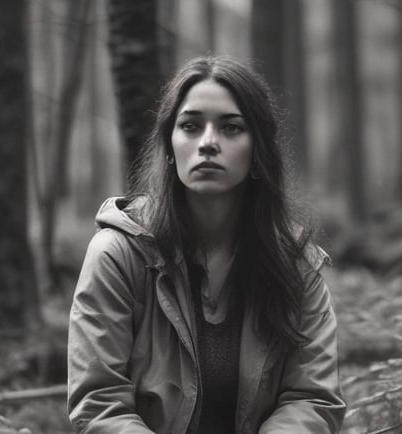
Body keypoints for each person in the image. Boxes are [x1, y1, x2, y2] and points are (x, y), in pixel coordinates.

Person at [67, 55, 345, 434]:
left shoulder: (296, 266)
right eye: (191, 126)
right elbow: (99, 401)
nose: (209, 142)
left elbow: (312, 398)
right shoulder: (118, 255)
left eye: (231, 128)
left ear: (258, 150)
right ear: (170, 145)